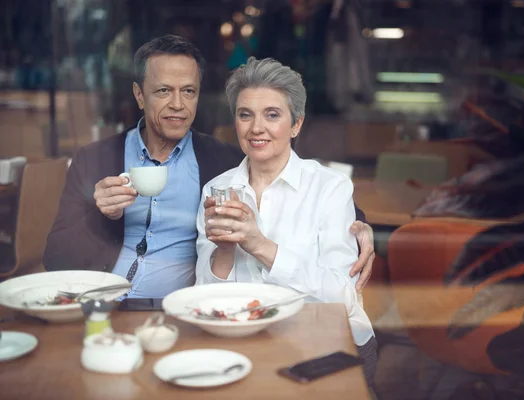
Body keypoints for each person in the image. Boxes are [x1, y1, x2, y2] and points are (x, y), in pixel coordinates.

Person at [43, 35, 375, 298]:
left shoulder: (221, 163)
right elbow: (56, 260)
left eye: (188, 91)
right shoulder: (94, 159)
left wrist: (361, 228)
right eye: (163, 91)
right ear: (139, 95)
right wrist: (97, 214)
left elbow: (310, 191)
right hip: (103, 306)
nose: (178, 104)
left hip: (178, 309)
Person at [195, 57, 377, 386]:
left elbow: (342, 297)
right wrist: (223, 251)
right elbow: (206, 299)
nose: (256, 128)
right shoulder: (216, 190)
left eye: (272, 115)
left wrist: (261, 246)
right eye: (245, 114)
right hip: (243, 344)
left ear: (296, 125)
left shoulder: (330, 187)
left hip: (325, 346)